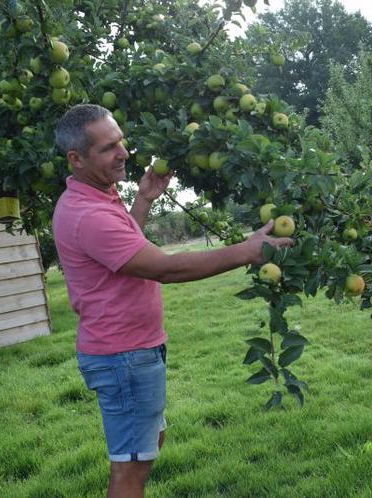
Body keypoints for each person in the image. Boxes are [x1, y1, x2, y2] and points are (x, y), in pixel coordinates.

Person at [52, 104, 293, 498]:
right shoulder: (87, 214)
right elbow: (165, 268)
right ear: (76, 159)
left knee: (145, 450)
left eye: (122, 142)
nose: (123, 153)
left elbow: (124, 250)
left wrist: (144, 199)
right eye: (109, 147)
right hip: (123, 355)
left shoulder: (98, 200)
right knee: (130, 469)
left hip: (133, 350)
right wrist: (248, 251)